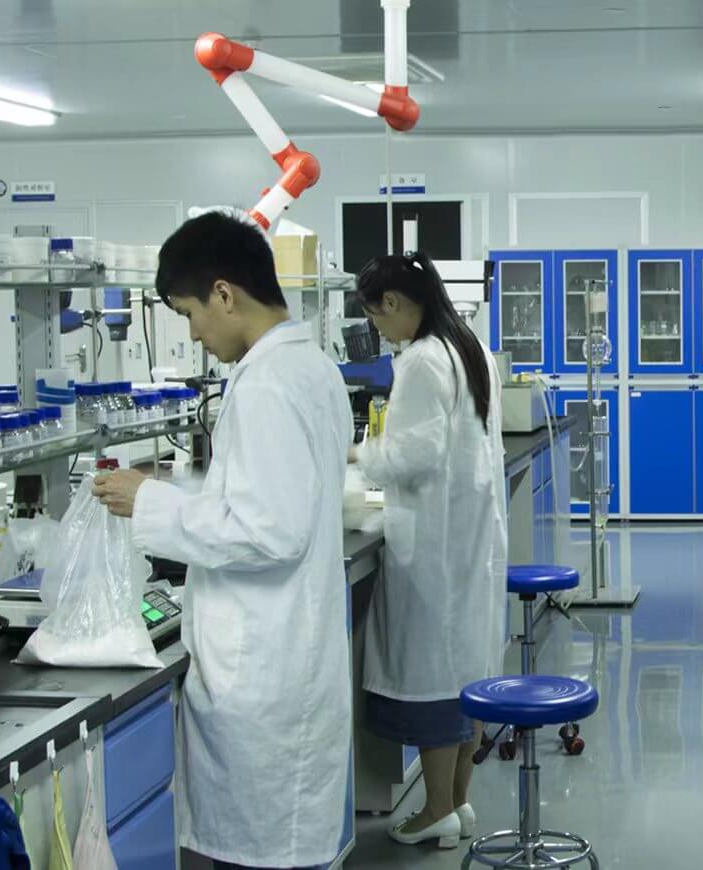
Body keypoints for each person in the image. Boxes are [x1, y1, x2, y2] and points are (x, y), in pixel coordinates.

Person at [92, 210, 352, 870]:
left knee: (262, 855)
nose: (193, 333)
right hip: (290, 655)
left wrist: (150, 503)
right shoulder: (309, 365)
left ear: (224, 294)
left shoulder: (266, 383)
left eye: (188, 313)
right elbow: (275, 505)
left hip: (265, 674)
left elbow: (268, 533)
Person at [349, 253, 508, 848]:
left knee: (435, 678)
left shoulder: (421, 359)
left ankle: (436, 808)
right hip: (470, 534)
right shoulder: (470, 347)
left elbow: (414, 455)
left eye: (375, 316)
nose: (379, 329)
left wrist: (360, 454)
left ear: (392, 303)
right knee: (465, 673)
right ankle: (458, 802)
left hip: (435, 544)